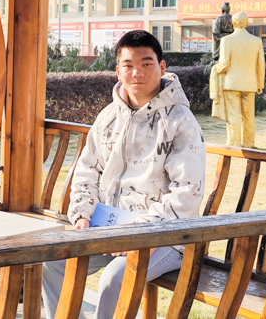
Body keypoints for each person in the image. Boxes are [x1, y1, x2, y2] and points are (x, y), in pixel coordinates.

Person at [42, 30, 206, 319]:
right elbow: (87, 169)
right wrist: (82, 213)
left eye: (146, 64)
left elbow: (187, 191)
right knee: (54, 262)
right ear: (118, 71)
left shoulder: (180, 122)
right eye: (128, 65)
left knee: (116, 277)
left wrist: (139, 233)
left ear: (162, 67)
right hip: (109, 228)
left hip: (164, 235)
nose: (137, 72)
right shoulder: (108, 117)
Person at [213, 12, 265, 148]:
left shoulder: (227, 40)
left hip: (232, 83)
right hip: (250, 84)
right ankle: (249, 143)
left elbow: (224, 64)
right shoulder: (256, 41)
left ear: (233, 23)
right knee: (249, 116)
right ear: (246, 23)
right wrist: (260, 84)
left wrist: (215, 69)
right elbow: (260, 65)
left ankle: (233, 143)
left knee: (233, 115)